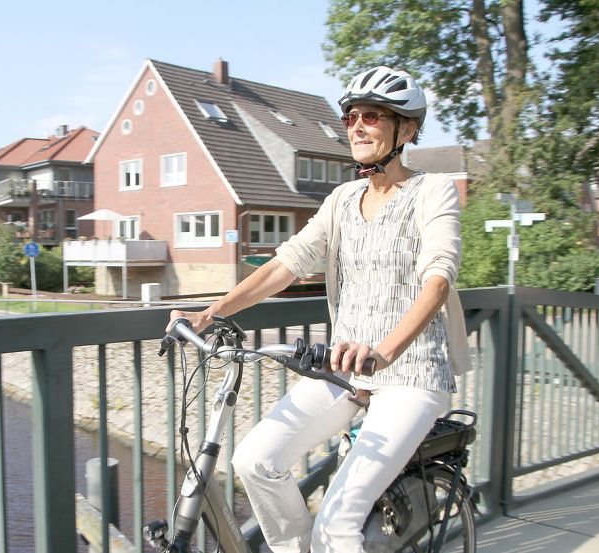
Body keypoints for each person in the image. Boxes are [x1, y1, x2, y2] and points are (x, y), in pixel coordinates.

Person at [169, 65, 469, 552]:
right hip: (344, 371)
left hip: (412, 373)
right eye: (351, 116)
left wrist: (386, 352)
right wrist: (210, 312)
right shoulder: (342, 199)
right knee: (255, 461)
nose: (357, 126)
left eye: (373, 116)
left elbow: (437, 281)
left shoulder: (431, 192)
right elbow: (284, 265)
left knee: (336, 522)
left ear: (407, 129)